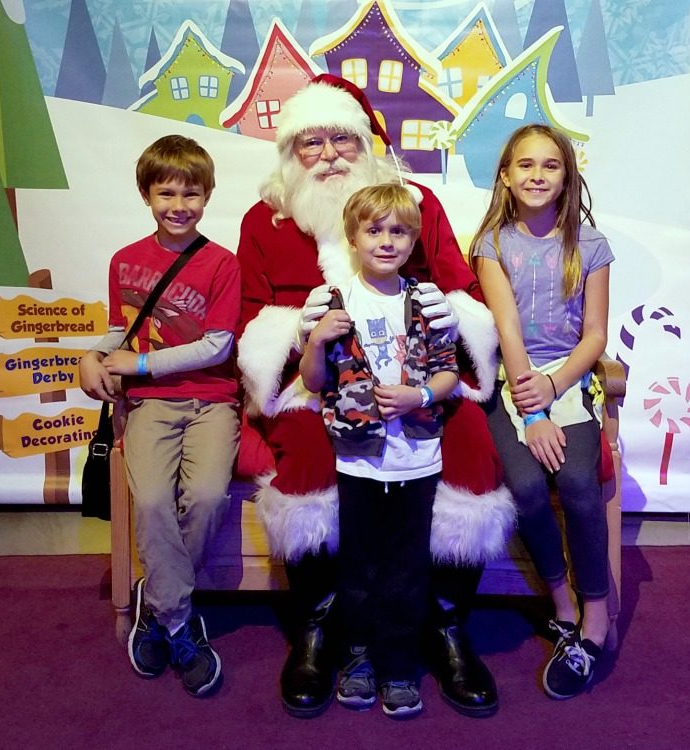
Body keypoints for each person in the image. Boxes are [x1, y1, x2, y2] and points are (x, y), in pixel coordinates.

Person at [236, 74, 514, 718]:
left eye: (342, 138)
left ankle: (444, 625)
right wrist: (301, 338)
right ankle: (319, 629)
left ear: (367, 142)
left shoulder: (413, 204)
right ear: (290, 151)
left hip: (418, 380)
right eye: (311, 142)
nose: (329, 154)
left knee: (474, 449)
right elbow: (252, 318)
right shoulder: (265, 221)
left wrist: (433, 367)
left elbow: (460, 293)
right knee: (306, 455)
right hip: (311, 385)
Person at [79, 135, 240, 697]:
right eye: (166, 192)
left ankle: (159, 607)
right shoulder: (126, 260)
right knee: (149, 499)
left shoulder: (222, 262)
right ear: (147, 195)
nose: (179, 205)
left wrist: (139, 360)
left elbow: (218, 345)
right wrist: (91, 355)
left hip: (212, 400)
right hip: (149, 401)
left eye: (190, 194)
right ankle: (177, 621)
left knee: (207, 496)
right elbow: (121, 329)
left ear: (207, 196)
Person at [299, 184, 460, 718]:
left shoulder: (425, 301)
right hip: (359, 460)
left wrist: (420, 394)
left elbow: (447, 372)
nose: (386, 241)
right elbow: (314, 380)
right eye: (374, 230)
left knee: (407, 567)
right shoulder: (334, 300)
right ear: (352, 238)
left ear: (413, 239)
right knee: (360, 565)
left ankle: (398, 665)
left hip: (417, 459)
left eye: (398, 231)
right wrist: (317, 340)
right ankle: (359, 658)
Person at [471, 124, 613, 700]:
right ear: (505, 175)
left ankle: (596, 615)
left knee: (579, 482)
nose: (536, 175)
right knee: (526, 487)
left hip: (569, 378)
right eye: (524, 165)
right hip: (513, 380)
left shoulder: (591, 244)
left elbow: (595, 334)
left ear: (566, 176)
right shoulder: (492, 243)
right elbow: (507, 328)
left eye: (549, 165)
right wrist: (532, 411)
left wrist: (555, 387)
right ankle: (562, 603)